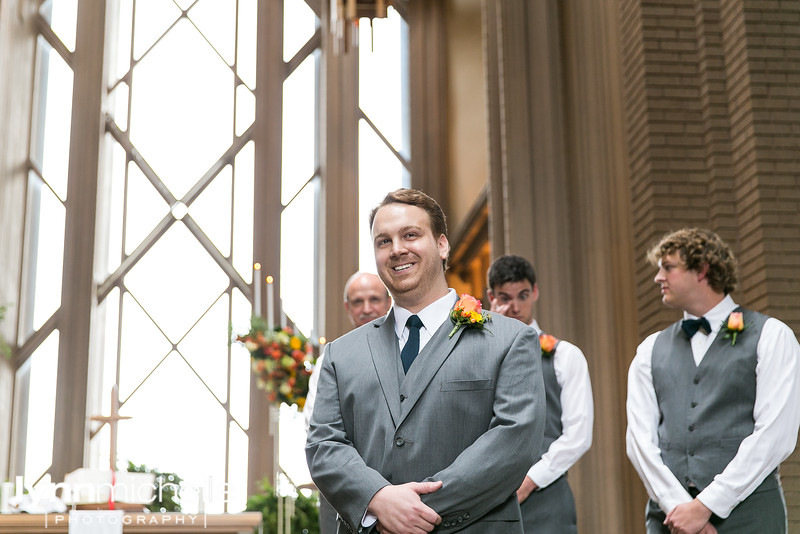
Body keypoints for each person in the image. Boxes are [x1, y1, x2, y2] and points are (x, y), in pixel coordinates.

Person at [306, 188, 545, 534]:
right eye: (383, 241)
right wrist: (377, 500)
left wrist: (411, 512)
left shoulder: (510, 340)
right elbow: (323, 445)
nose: (397, 249)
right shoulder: (340, 354)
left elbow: (513, 441)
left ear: (443, 245)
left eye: (410, 235)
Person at [626, 228, 800, 534]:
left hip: (750, 516)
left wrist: (706, 506)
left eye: (668, 267)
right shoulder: (649, 350)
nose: (657, 277)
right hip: (671, 519)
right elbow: (639, 441)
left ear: (702, 270)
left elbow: (776, 434)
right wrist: (680, 508)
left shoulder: (772, 335)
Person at [486, 255, 593, 534]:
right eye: (505, 297)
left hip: (548, 497)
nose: (515, 306)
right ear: (490, 297)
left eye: (523, 295)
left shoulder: (565, 355)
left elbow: (578, 435)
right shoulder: (478, 357)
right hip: (486, 500)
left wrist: (531, 480)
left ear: (535, 291)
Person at [304, 271, 392, 534]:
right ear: (347, 307)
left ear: (388, 302)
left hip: (400, 491)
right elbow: (314, 428)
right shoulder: (329, 361)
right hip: (341, 491)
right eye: (357, 302)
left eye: (374, 299)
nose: (366, 308)